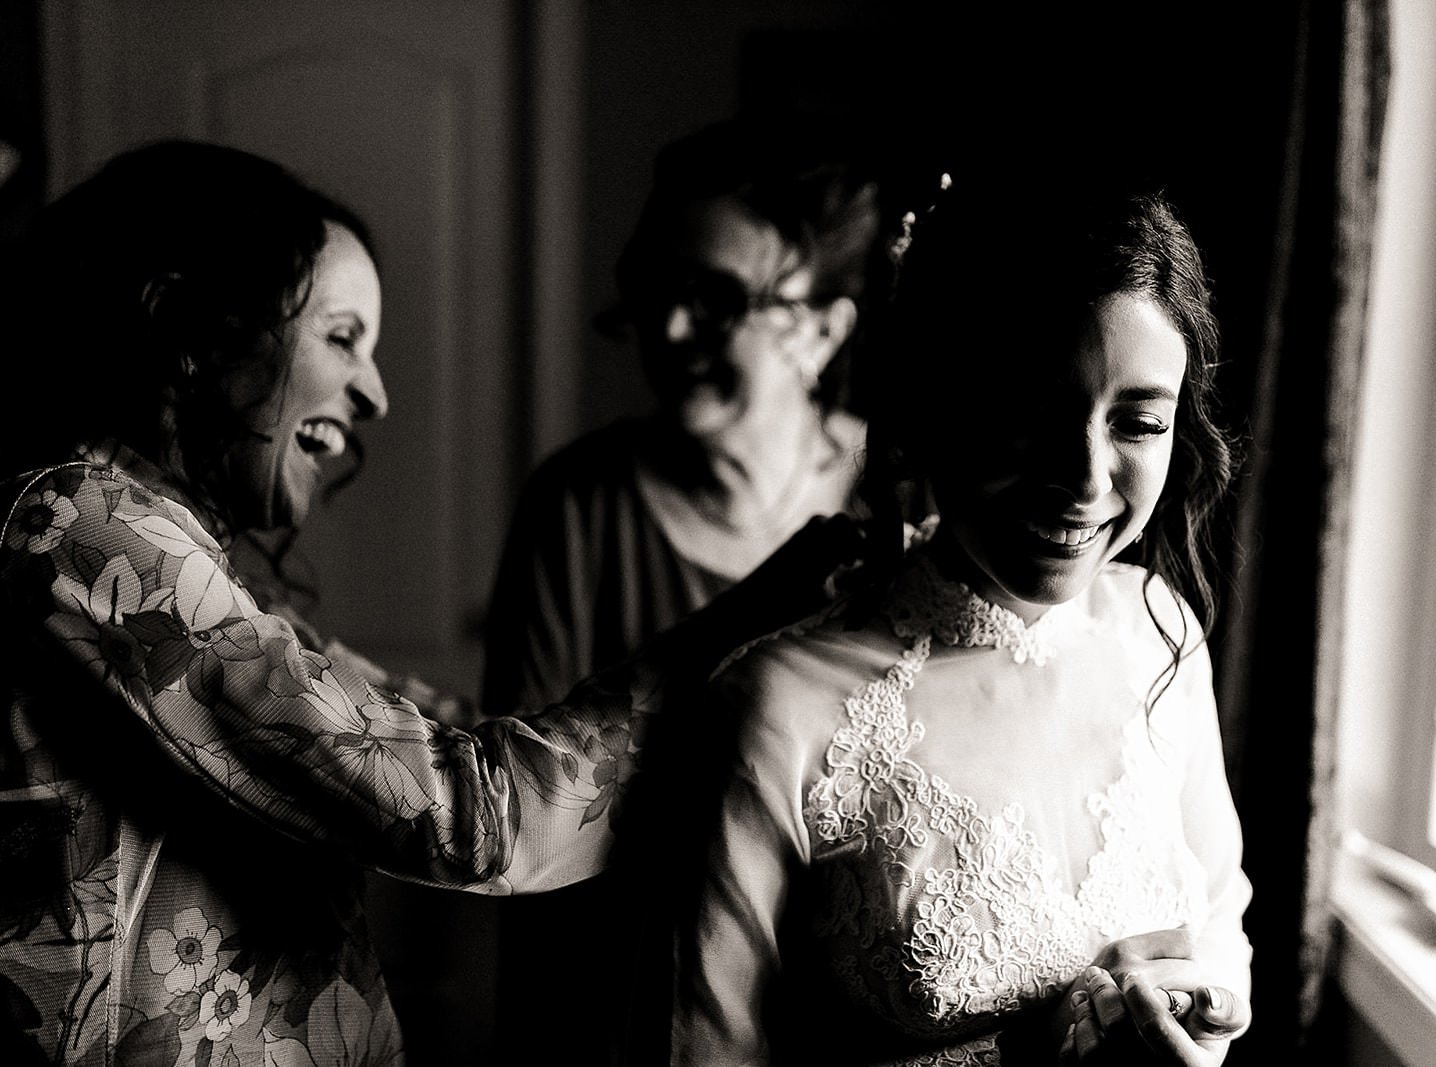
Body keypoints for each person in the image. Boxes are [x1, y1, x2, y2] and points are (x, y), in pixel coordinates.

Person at [0, 140, 849, 1067]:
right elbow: (469, 816)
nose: (375, 392)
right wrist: (750, 615)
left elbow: (446, 731)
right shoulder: (75, 528)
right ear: (193, 334)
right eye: (341, 337)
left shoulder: (184, 552)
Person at [670, 168, 1255, 1065]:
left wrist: (1192, 1011)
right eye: (1033, 413)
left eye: (1138, 423)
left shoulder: (1159, 630)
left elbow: (1221, 921)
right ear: (929, 406)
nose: (1089, 479)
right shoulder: (781, 708)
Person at [480, 115, 882, 718]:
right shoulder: (575, 507)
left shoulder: (904, 493)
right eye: (657, 285)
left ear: (822, 331)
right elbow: (515, 783)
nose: (670, 328)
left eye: (718, 299)